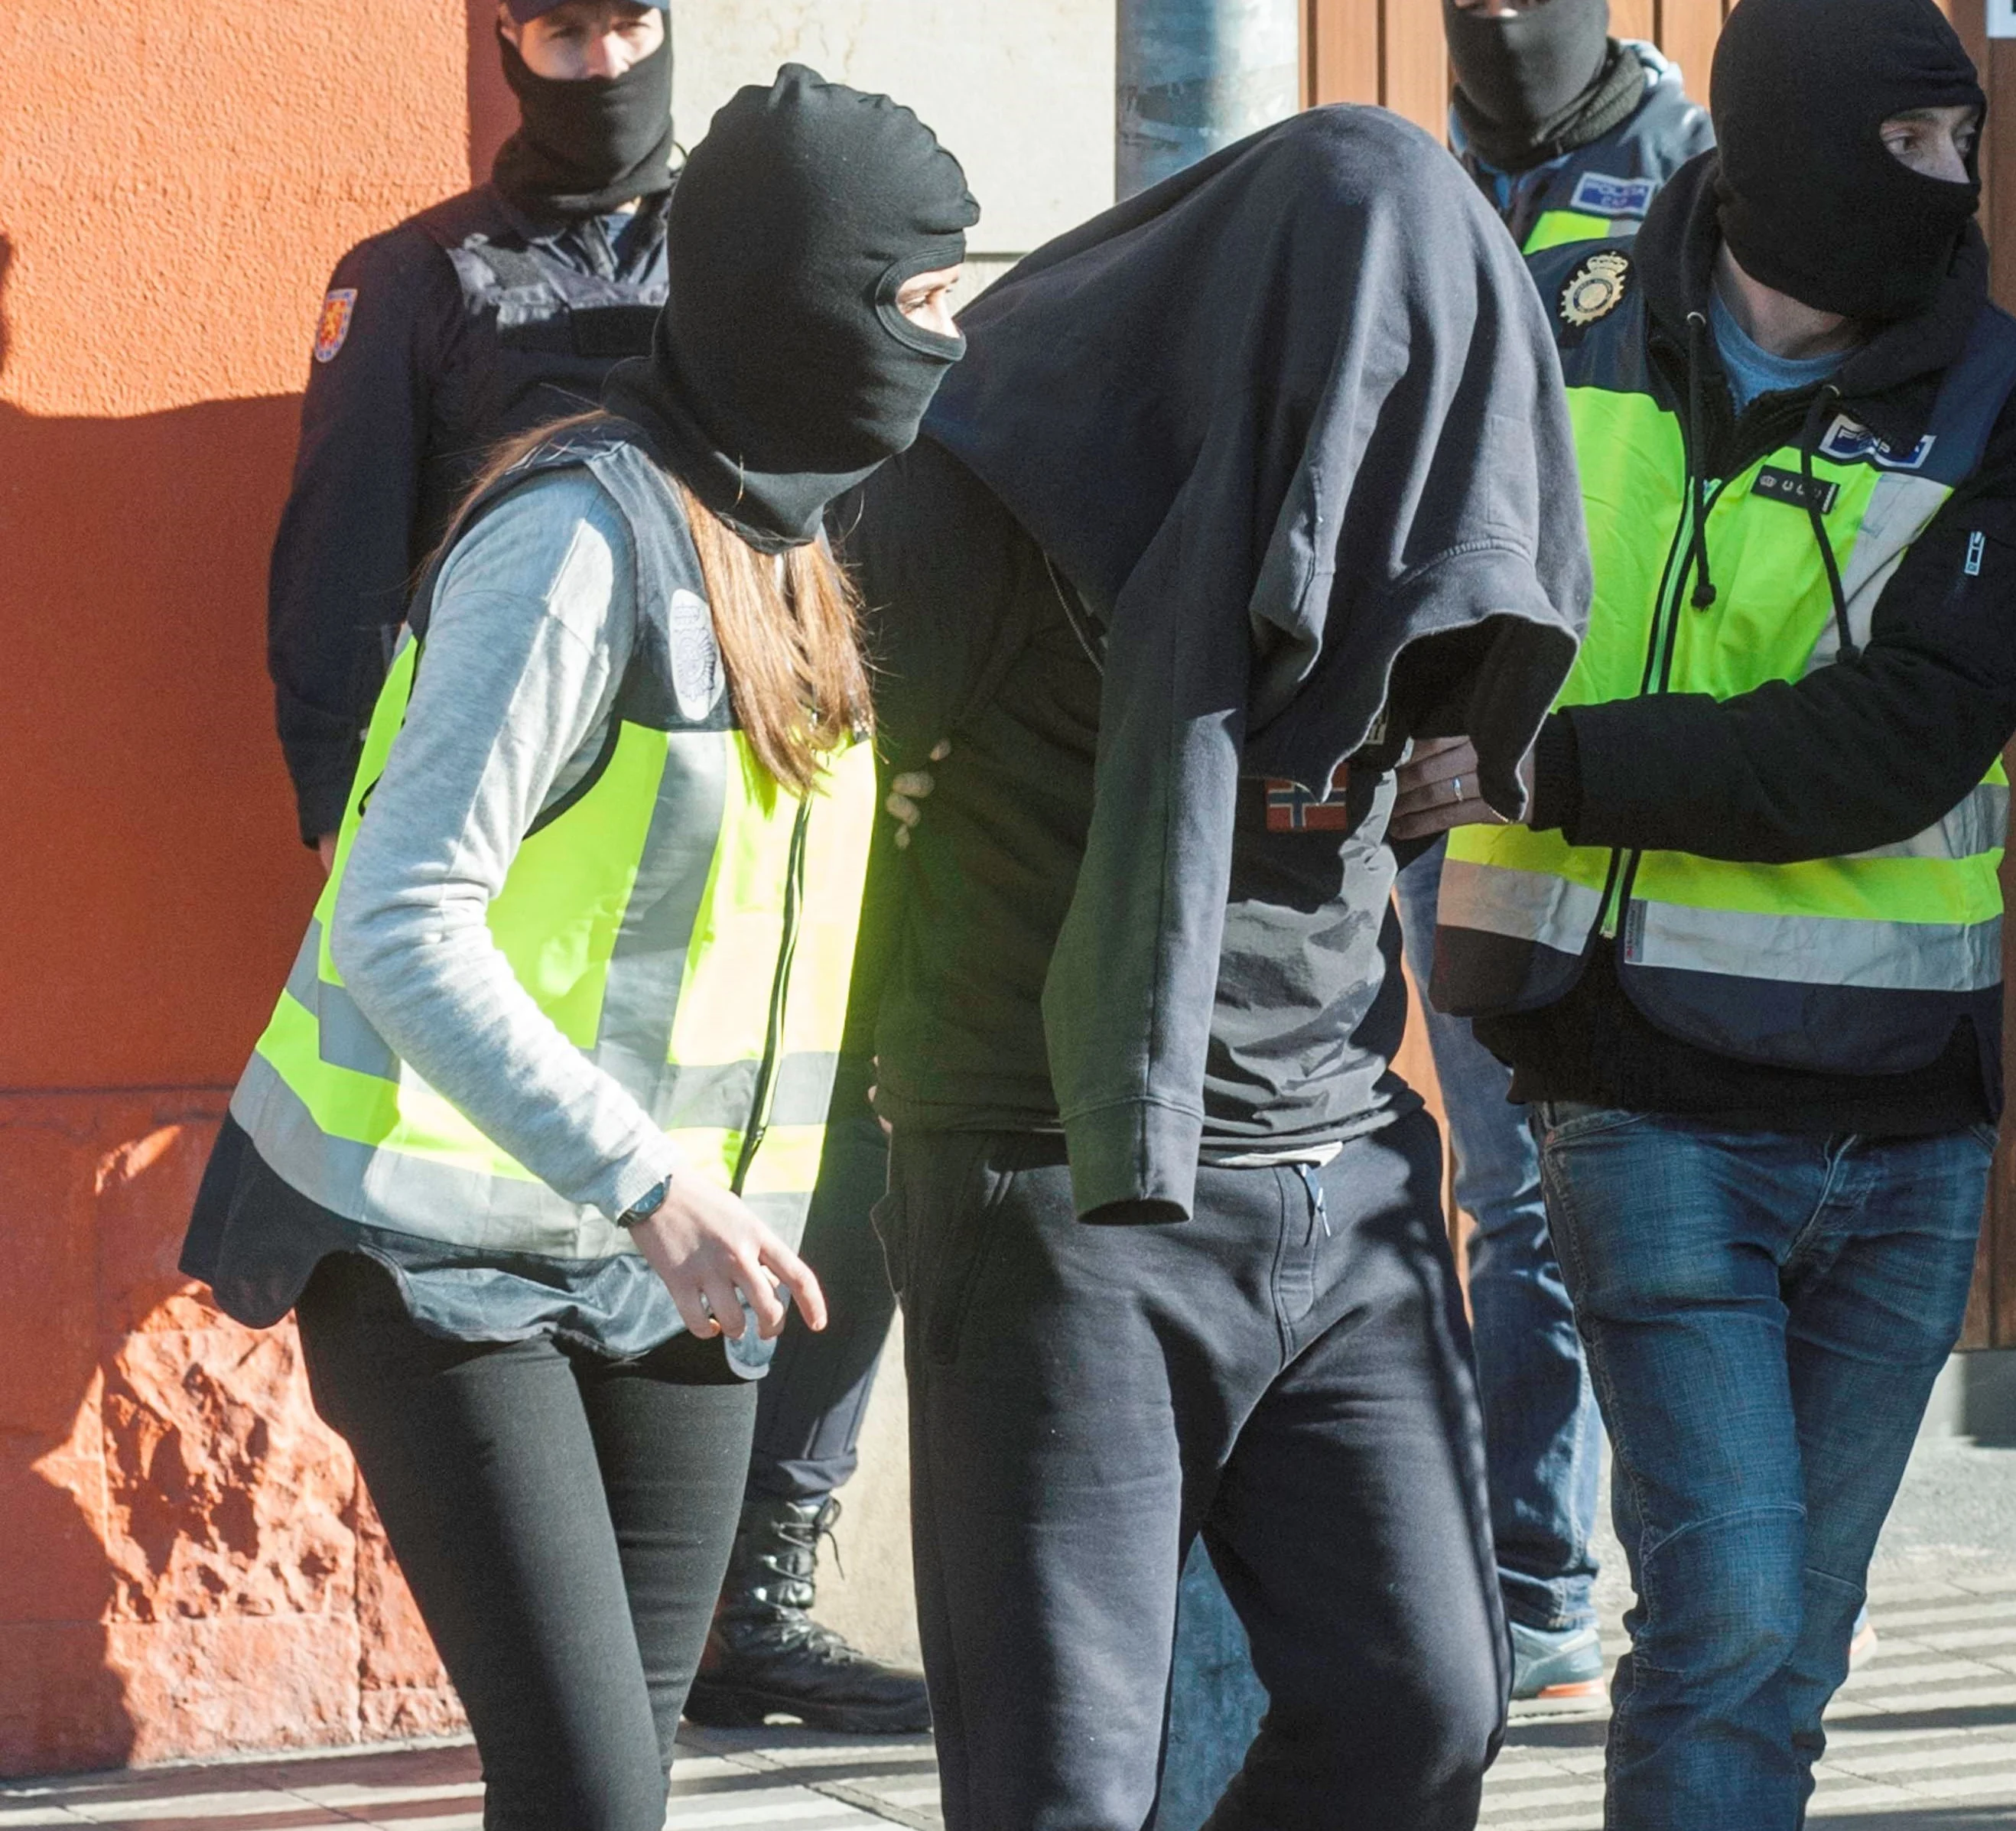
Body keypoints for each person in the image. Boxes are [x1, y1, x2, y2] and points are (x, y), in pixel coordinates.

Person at [185, 69, 977, 1830]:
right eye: (923, 302)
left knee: (617, 1786)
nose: (954, 346)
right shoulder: (573, 539)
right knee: (592, 1793)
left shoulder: (797, 549)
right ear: (800, 300)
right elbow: (398, 910)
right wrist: (652, 1185)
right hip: (440, 1247)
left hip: (674, 1264)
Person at [841, 107, 1589, 1831]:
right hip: (1054, 1188)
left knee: (1424, 1710)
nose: (1394, 448)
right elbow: (811, 777)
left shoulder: (1416, 490)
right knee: (1064, 1797)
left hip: (1337, 1166)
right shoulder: (998, 467)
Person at [1419, 0, 2016, 1817]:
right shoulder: (1547, 318)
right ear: (1792, 143)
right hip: (1636, 1087)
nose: (1958, 188)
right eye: (1916, 148)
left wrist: (1552, 769)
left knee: (1791, 1649)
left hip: (1903, 1120)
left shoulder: (2011, 411)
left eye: (1967, 147)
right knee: (1726, 1619)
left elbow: (1889, 745)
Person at [1395, 0, 1712, 1714]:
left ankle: (1658, 1575)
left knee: (1634, 1183)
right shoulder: (1413, 183)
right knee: (1512, 1191)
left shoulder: (1694, 182)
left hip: (1621, 778)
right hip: (1444, 774)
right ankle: (1541, 1590)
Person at [268, 0, 678, 866]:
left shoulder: (740, 256)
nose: (605, 63)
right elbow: (342, 555)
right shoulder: (411, 275)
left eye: (631, 26)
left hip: (701, 750)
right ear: (510, 46)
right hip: (493, 778)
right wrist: (340, 798)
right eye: (565, 35)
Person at [1444, 0, 1712, 252]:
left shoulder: (1693, 165)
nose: (1500, 19)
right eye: (1476, 3)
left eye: (1527, 0)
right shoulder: (1435, 171)